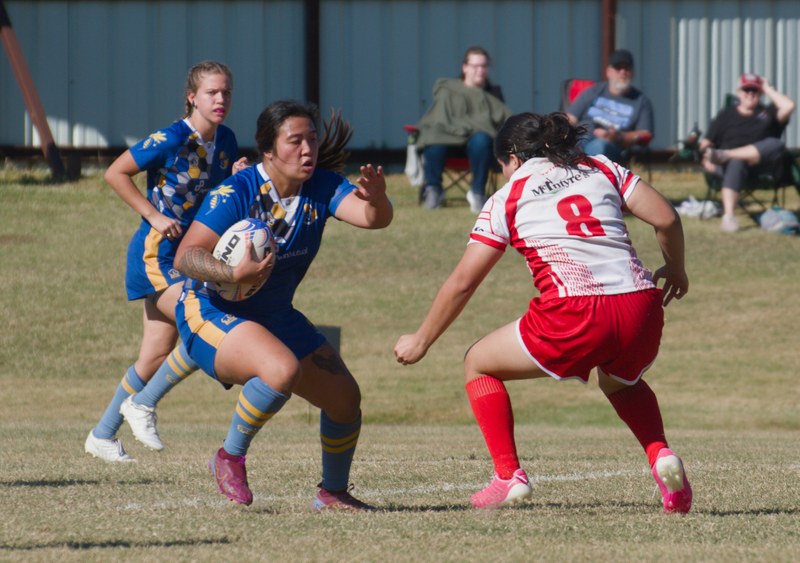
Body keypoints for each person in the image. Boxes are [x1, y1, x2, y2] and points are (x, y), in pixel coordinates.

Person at [394, 112, 693, 514]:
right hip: (641, 303)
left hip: (578, 309)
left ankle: (507, 477)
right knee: (621, 380)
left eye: (502, 165)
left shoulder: (509, 196)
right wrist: (675, 269)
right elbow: (666, 218)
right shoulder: (599, 166)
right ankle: (660, 456)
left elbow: (464, 281)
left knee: (478, 363)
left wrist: (421, 340)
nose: (503, 173)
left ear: (513, 158)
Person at [173, 100, 393, 509]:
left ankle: (333, 493)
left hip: (274, 315)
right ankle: (229, 457)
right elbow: (186, 256)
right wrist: (231, 273)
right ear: (268, 149)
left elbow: (373, 218)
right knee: (281, 370)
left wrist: (377, 199)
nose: (308, 149)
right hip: (209, 310)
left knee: (345, 399)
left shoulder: (323, 186)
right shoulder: (235, 192)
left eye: (312, 139)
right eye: (295, 141)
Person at [85, 61, 247, 462]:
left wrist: (239, 175)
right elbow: (116, 173)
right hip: (157, 254)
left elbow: (214, 195)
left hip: (193, 255)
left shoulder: (226, 140)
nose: (221, 99)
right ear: (192, 96)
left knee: (155, 354)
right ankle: (142, 404)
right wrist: (154, 215)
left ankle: (102, 435)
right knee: (203, 320)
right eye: (212, 92)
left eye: (226, 92)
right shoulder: (170, 137)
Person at [415, 46, 512, 212]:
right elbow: (439, 118)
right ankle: (434, 190)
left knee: (482, 139)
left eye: (483, 66)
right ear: (465, 67)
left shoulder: (493, 95)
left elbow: (504, 123)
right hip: (447, 143)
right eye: (475, 66)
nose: (480, 70)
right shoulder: (448, 90)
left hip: (477, 148)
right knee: (433, 139)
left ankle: (477, 193)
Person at [699, 73, 796, 233]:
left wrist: (767, 88)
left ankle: (728, 154)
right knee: (737, 162)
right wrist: (705, 157)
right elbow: (706, 143)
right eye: (746, 90)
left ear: (761, 93)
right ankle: (729, 216)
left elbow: (789, 106)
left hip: (761, 166)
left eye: (755, 91)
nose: (750, 94)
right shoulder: (726, 114)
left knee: (776, 144)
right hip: (728, 166)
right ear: (739, 92)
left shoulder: (768, 113)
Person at [566, 49, 654, 164]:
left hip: (612, 146)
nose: (622, 72)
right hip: (581, 138)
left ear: (633, 72)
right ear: (608, 72)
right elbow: (570, 117)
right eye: (618, 68)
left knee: (600, 147)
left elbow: (646, 135)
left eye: (627, 68)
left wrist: (618, 137)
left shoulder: (641, 101)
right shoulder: (594, 91)